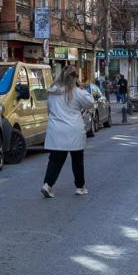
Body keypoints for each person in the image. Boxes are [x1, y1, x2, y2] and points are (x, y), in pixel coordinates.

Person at [40, 67, 90, 197]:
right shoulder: (77, 92)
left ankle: (47, 184)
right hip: (73, 130)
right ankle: (80, 187)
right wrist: (81, 88)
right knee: (77, 159)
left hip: (56, 129)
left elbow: (49, 110)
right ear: (74, 78)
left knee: (55, 160)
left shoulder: (52, 92)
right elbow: (90, 103)